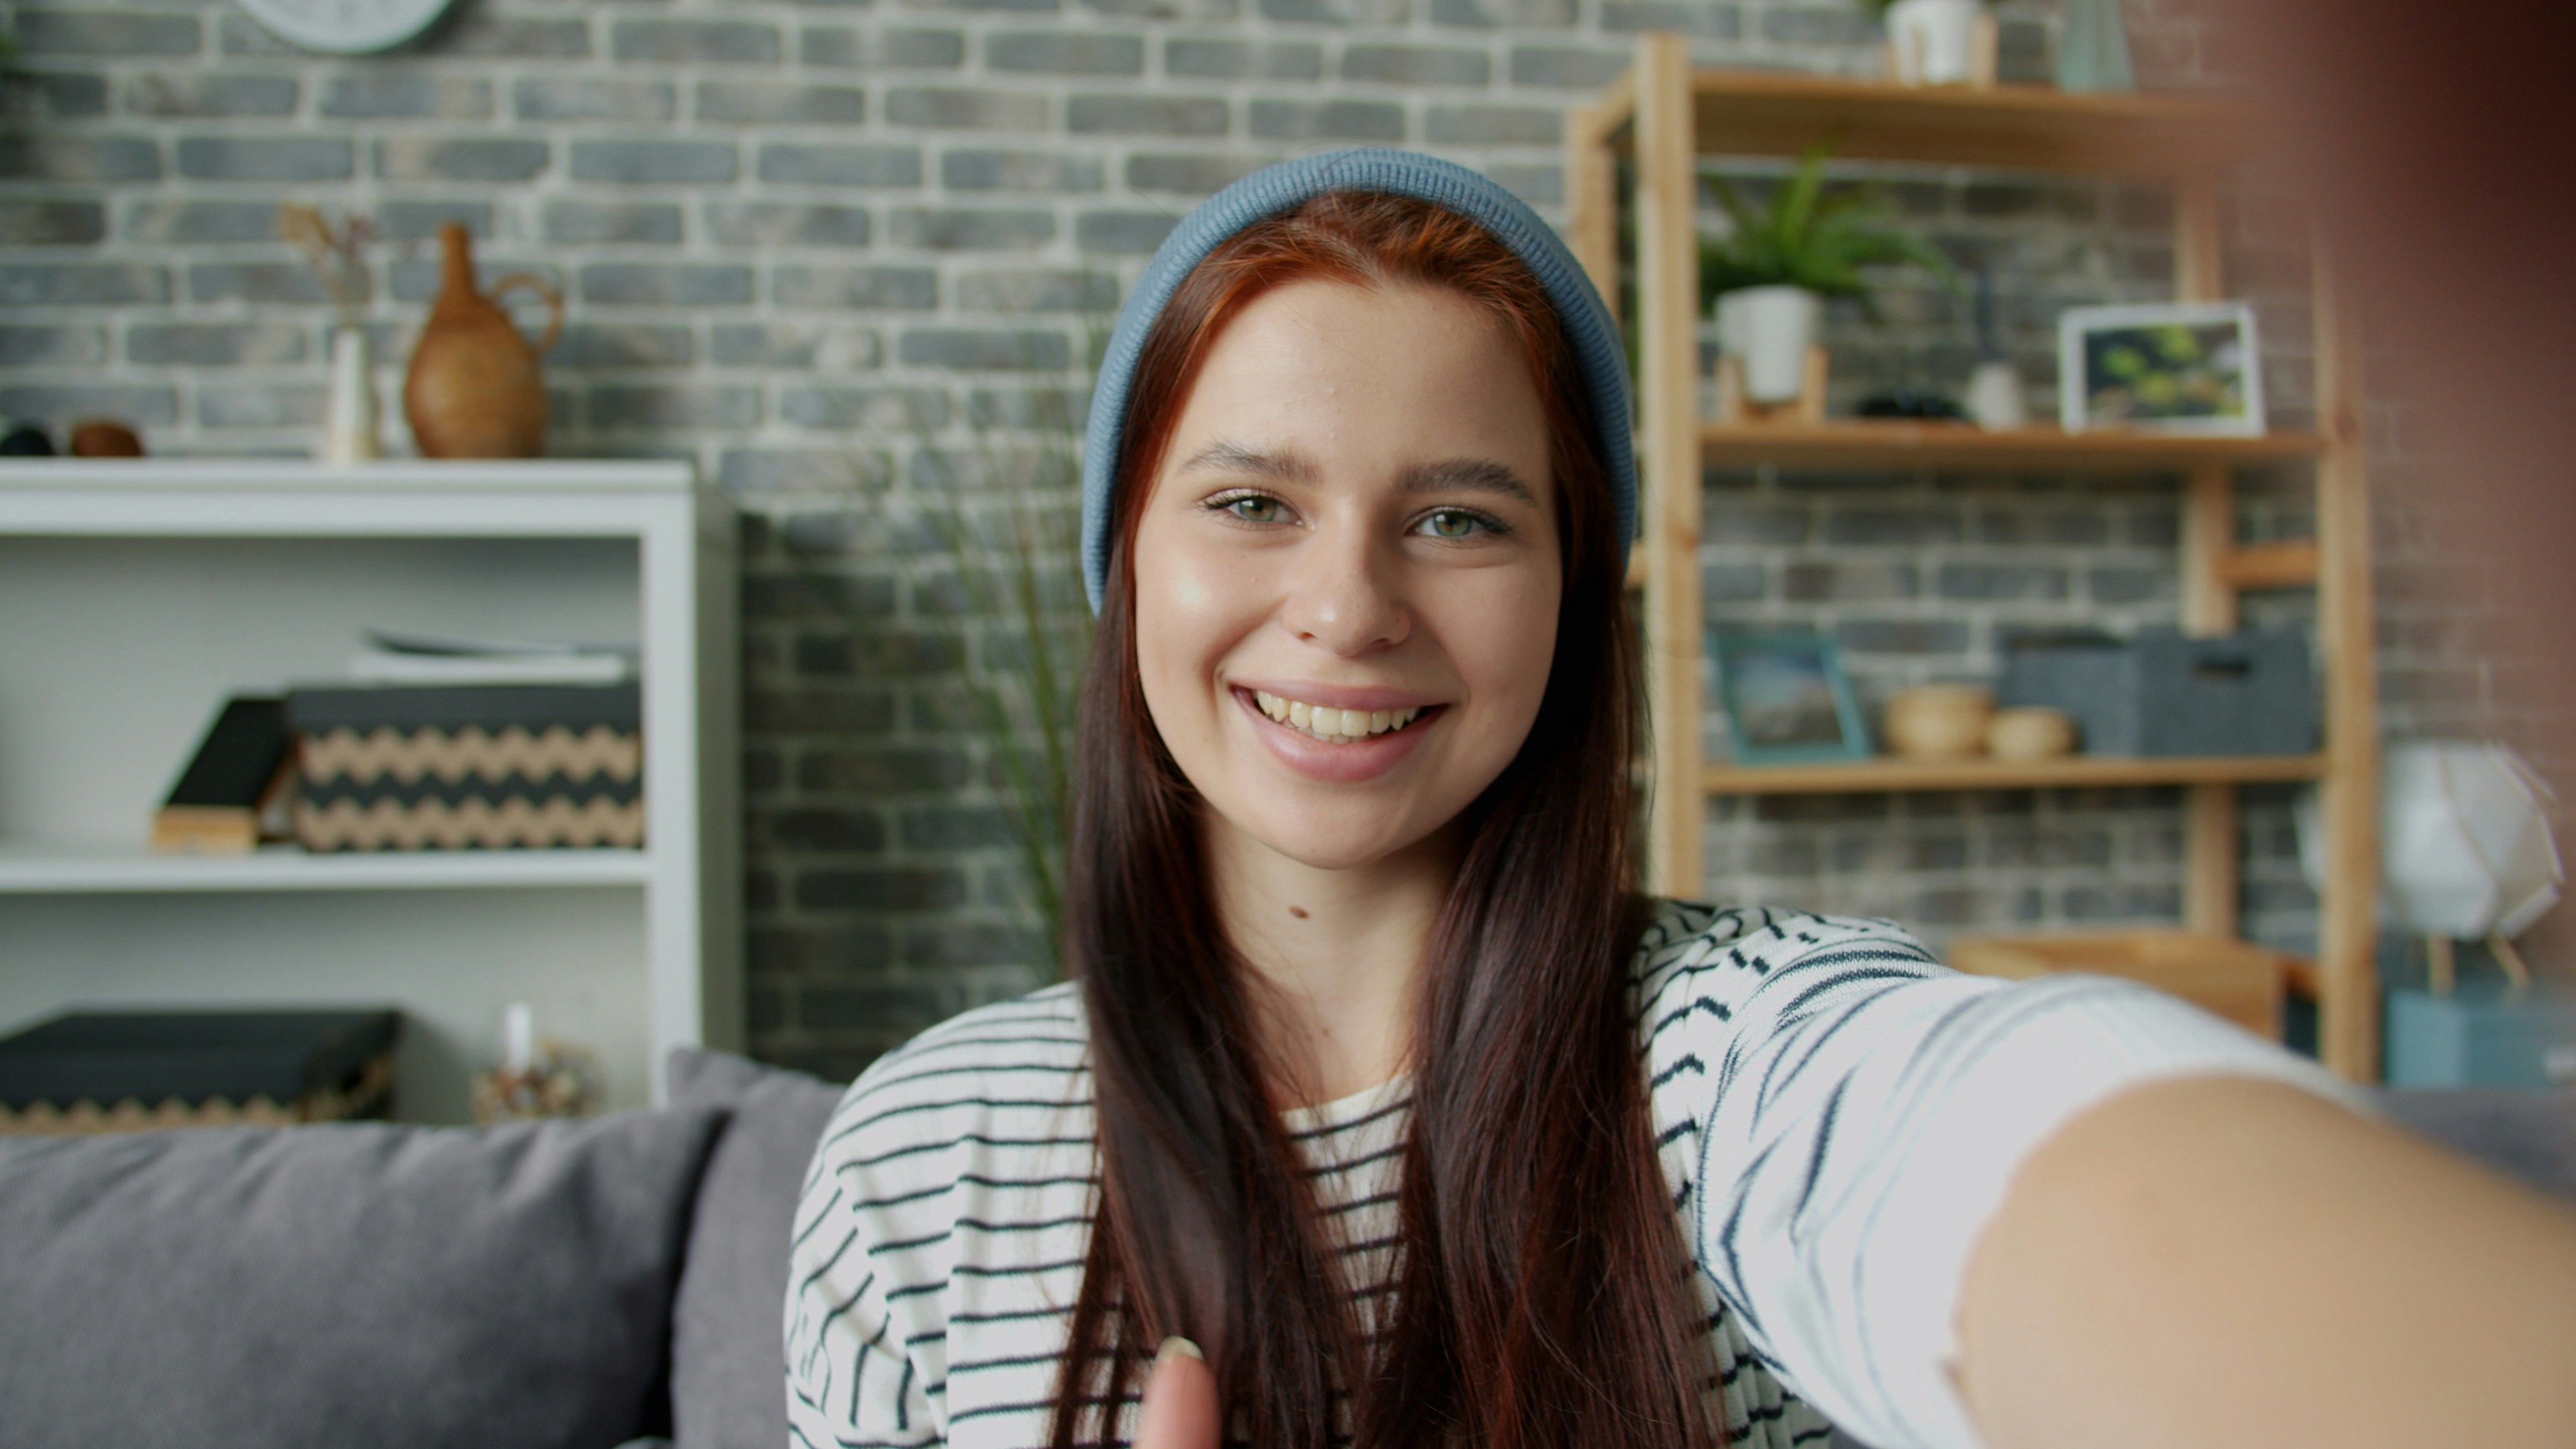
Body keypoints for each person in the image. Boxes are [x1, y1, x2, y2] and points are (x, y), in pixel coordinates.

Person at [786, 150, 2576, 1449]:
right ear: (1126, 564)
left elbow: (1983, 1139)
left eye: (1460, 517)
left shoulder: (1737, 1068)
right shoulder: (912, 1164)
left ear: (1579, 602)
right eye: (1252, 502)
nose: (1347, 606)